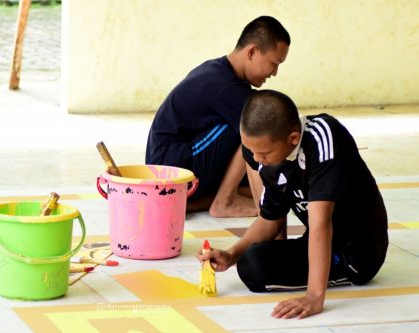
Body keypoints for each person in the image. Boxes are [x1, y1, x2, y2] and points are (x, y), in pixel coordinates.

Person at [198, 90, 388, 319]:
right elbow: (270, 220)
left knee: (254, 269)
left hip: (355, 252)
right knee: (250, 261)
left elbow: (321, 223)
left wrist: (314, 297)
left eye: (263, 153)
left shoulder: (323, 139)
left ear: (293, 139)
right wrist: (231, 254)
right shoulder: (272, 158)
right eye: (251, 151)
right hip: (316, 243)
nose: (257, 160)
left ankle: (338, 274)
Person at [145, 16, 290, 217]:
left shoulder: (222, 72)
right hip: (172, 166)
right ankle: (225, 200)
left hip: (178, 165)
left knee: (269, 171)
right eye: (274, 63)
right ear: (252, 52)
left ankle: (194, 201)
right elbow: (267, 122)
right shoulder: (224, 86)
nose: (274, 72)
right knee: (254, 125)